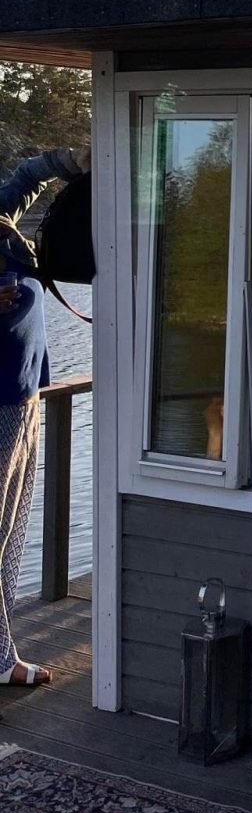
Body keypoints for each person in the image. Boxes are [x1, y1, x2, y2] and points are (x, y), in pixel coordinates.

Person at [0, 146, 90, 687]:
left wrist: (77, 160)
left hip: (24, 396)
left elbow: (30, 174)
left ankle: (0, 650)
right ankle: (0, 658)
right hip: (1, 401)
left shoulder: (1, 213)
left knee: (12, 531)